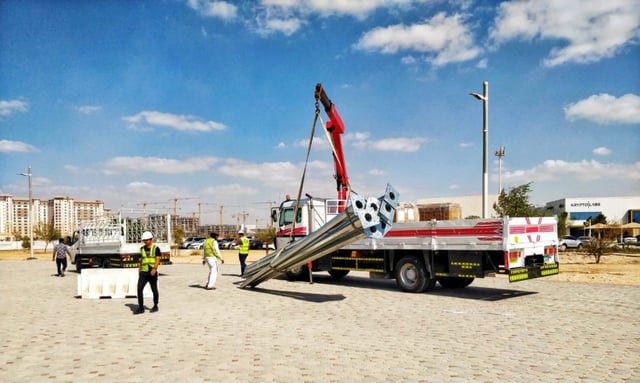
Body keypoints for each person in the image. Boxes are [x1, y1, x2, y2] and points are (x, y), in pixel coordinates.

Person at [135, 231, 160, 314]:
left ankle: (155, 305)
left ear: (150, 239)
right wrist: (139, 268)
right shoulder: (142, 249)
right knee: (139, 289)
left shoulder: (156, 248)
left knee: (154, 289)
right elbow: (141, 259)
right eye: (144, 240)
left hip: (152, 271)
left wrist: (154, 268)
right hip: (144, 272)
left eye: (147, 240)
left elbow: (157, 259)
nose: (145, 241)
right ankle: (141, 307)